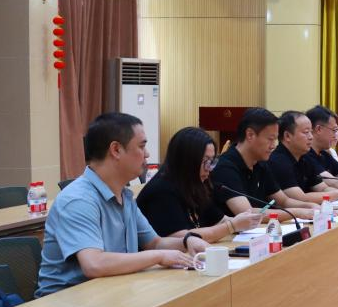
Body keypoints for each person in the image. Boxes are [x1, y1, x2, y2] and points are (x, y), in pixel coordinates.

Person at [36, 113, 206, 297]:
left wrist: (187, 241)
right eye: (141, 146)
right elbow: (94, 264)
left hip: (110, 293)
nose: (147, 154)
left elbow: (155, 243)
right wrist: (159, 256)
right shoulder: (78, 200)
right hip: (66, 303)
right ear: (116, 150)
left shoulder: (125, 195)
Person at [137, 127, 265, 242]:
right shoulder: (161, 190)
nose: (209, 169)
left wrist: (246, 221)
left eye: (212, 161)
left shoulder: (196, 185)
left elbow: (219, 220)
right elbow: (182, 238)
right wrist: (232, 226)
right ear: (187, 161)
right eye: (205, 161)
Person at [209, 107, 316, 220]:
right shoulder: (225, 167)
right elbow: (247, 213)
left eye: (275, 140)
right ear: (250, 135)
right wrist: (297, 213)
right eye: (270, 139)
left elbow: (283, 201)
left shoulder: (261, 163)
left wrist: (310, 206)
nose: (273, 146)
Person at [267, 110, 338, 205]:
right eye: (306, 132)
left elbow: (323, 188)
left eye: (311, 132)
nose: (311, 137)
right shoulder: (278, 161)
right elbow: (300, 198)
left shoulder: (305, 158)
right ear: (287, 136)